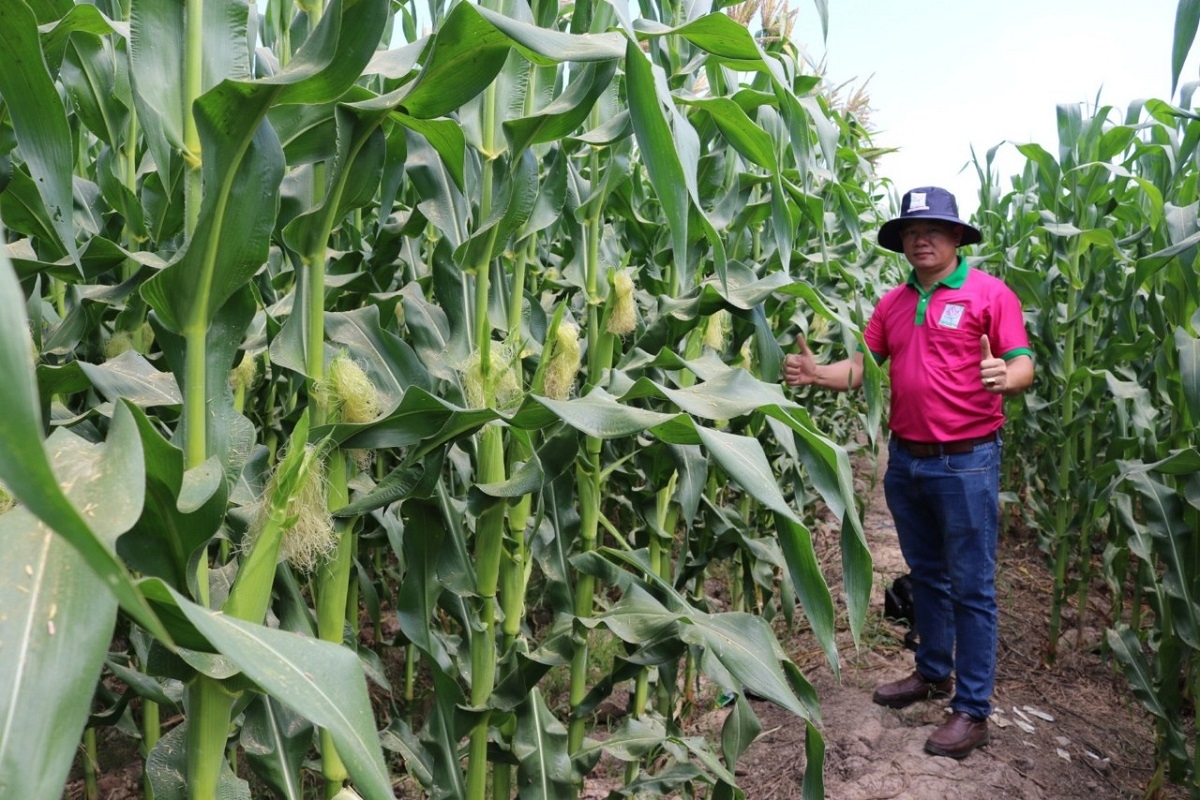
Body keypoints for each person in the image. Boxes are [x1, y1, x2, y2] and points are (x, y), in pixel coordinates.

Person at [784, 186, 1034, 759]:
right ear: (902, 243)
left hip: (967, 460)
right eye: (911, 232)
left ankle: (971, 711)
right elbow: (864, 368)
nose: (921, 239)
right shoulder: (894, 303)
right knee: (926, 575)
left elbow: (1022, 363)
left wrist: (1006, 376)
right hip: (907, 459)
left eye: (933, 230)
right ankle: (931, 672)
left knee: (971, 585)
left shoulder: (989, 294)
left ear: (955, 238)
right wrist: (817, 372)